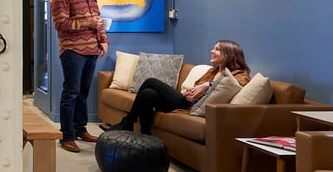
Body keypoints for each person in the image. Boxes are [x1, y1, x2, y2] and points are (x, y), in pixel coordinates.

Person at [102, 40, 251, 135]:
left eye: (216, 49)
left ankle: (127, 122)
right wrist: (192, 91)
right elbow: (197, 87)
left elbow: (237, 84)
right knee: (148, 94)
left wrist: (207, 85)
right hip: (187, 100)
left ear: (228, 54)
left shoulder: (240, 74)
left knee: (150, 81)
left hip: (192, 107)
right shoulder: (213, 71)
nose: (212, 51)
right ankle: (146, 135)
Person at [50, 0, 108, 152]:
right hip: (73, 50)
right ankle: (67, 136)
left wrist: (103, 40)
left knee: (83, 92)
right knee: (71, 93)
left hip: (92, 49)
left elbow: (97, 18)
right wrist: (87, 23)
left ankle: (80, 129)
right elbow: (61, 24)